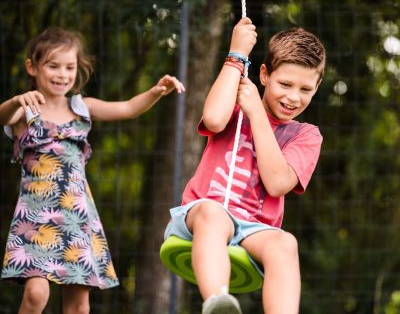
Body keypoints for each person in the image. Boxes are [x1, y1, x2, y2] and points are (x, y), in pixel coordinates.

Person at [0, 27, 185, 314]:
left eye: (69, 67)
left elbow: (127, 108)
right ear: (32, 67)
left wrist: (155, 91)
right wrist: (15, 101)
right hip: (36, 218)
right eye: (53, 66)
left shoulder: (81, 107)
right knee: (36, 294)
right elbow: (4, 115)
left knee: (79, 305)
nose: (62, 74)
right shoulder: (23, 111)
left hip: (77, 215)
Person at [163, 17, 325, 314]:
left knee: (285, 243)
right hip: (204, 215)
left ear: (317, 87)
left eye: (305, 89)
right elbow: (213, 119)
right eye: (285, 84)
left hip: (255, 230)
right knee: (214, 213)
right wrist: (237, 54)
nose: (293, 97)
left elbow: (277, 183)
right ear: (264, 75)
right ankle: (217, 303)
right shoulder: (235, 103)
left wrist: (257, 115)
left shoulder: (306, 135)